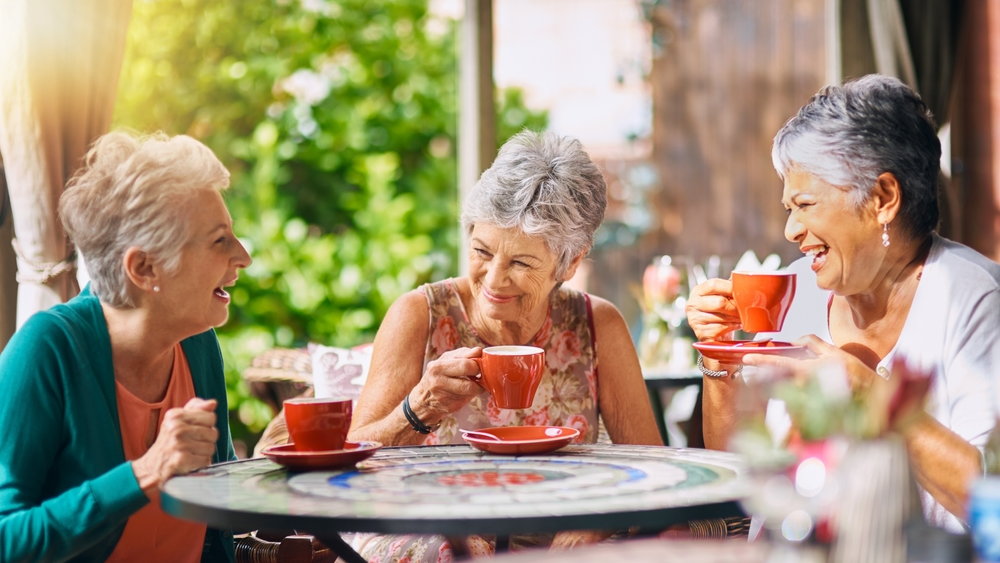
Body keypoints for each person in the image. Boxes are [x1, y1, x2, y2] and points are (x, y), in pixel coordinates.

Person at [685, 74, 1000, 532]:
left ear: (883, 199)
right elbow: (741, 477)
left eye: (806, 204)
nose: (791, 231)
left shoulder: (972, 298)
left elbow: (988, 496)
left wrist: (869, 394)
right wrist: (719, 358)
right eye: (788, 209)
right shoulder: (794, 288)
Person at [345, 130, 662, 559]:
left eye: (521, 262)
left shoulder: (597, 324)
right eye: (481, 251)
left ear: (569, 263)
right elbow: (348, 466)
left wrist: (598, 518)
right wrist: (419, 408)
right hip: (425, 528)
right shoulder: (419, 314)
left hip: (557, 540)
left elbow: (654, 468)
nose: (493, 280)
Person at [0, 131, 252, 561]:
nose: (243, 256)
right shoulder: (47, 350)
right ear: (144, 266)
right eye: (219, 240)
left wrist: (292, 465)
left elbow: (219, 511)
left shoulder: (197, 345)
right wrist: (144, 473)